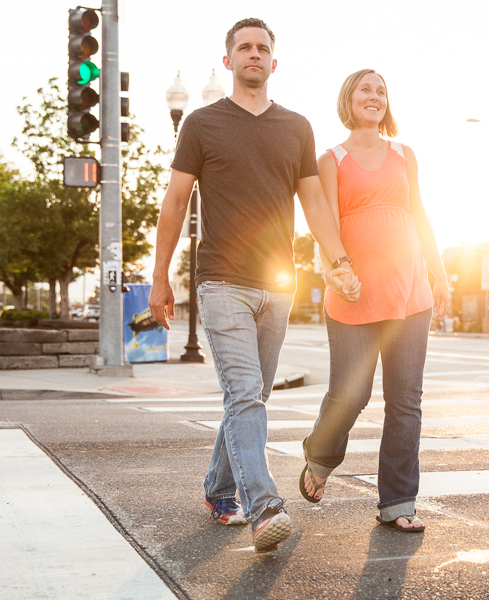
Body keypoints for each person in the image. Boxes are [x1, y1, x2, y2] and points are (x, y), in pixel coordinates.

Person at [148, 18, 357, 553]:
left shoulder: (296, 127)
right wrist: (161, 276)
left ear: (274, 62)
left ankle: (219, 492)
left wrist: (338, 260)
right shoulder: (200, 123)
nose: (254, 54)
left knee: (252, 398)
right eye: (244, 47)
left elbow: (313, 201)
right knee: (244, 395)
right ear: (228, 61)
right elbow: (175, 201)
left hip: (277, 282)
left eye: (263, 48)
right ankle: (263, 508)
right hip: (221, 281)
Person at [300, 69, 451, 533]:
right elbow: (322, 223)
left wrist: (439, 272)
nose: (375, 96)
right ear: (349, 99)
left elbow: (420, 214)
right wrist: (334, 271)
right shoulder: (332, 159)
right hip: (355, 293)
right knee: (352, 393)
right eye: (366, 89)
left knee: (405, 399)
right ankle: (320, 458)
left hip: (409, 291)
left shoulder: (405, 154)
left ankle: (398, 503)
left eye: (381, 90)